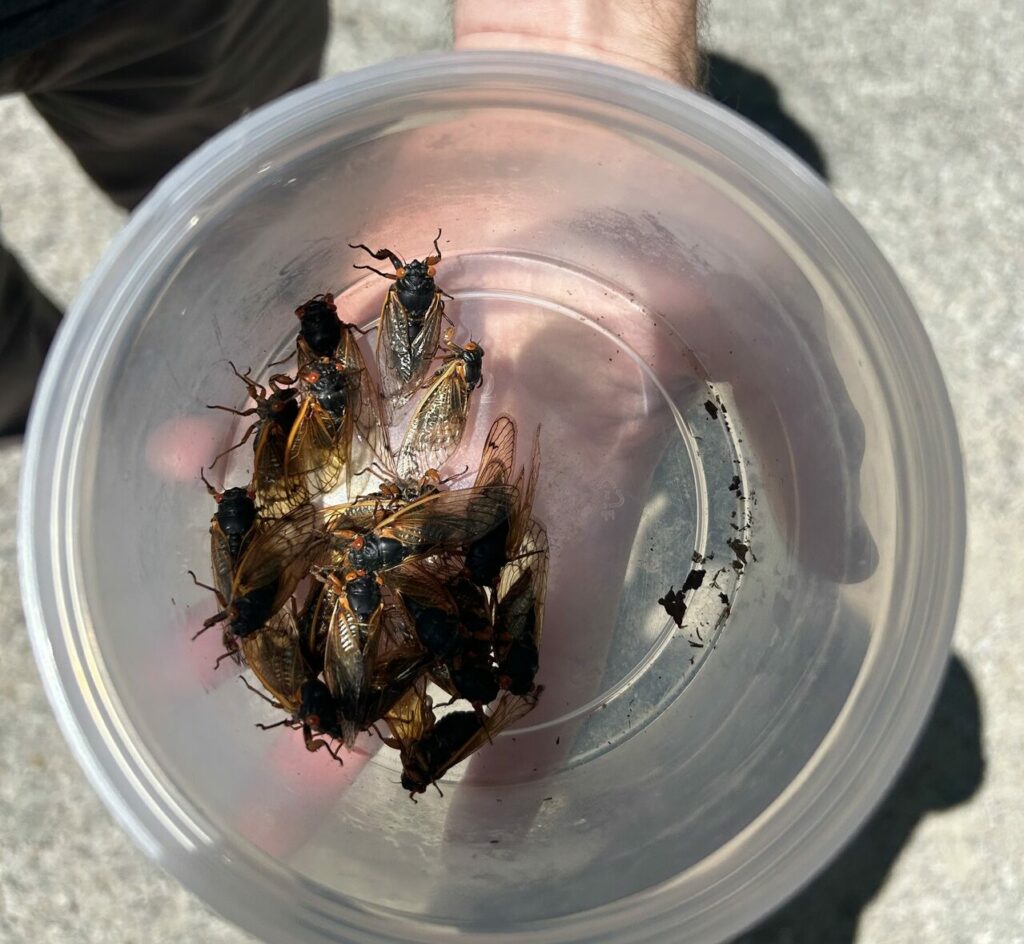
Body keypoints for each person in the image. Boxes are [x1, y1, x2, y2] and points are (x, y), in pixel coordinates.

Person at [0, 0, 700, 436]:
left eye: (416, 272)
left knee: (240, 176)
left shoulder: (408, 285)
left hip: (155, 18)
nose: (417, 272)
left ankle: (41, 395)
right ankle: (34, 398)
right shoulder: (421, 286)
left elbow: (400, 280)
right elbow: (414, 287)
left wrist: (575, 46)